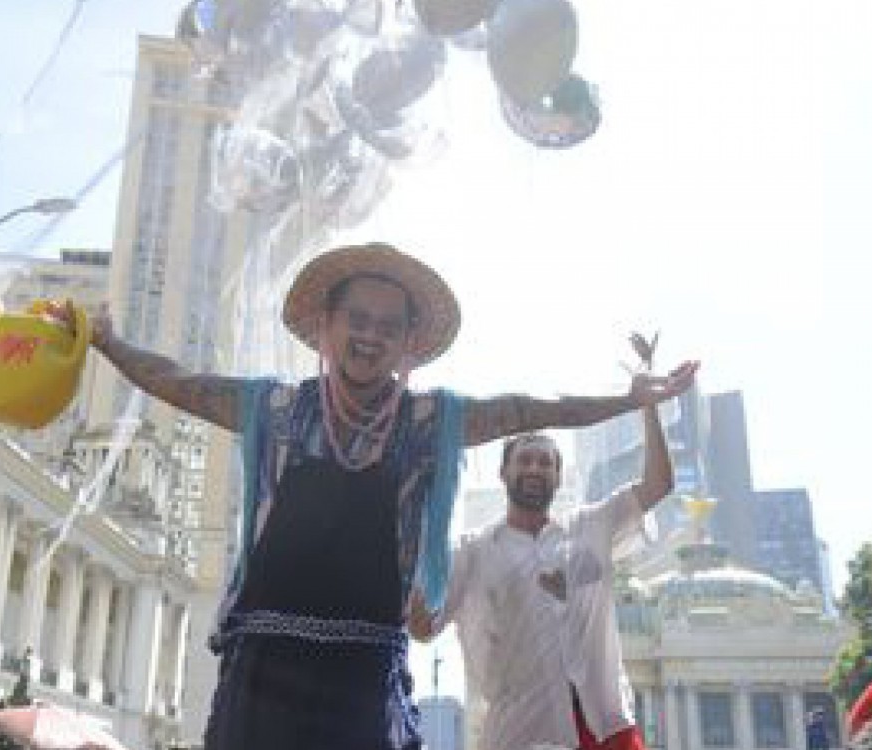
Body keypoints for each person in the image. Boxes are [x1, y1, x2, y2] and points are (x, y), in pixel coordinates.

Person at [68, 242, 698, 750]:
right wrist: (106, 342)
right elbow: (178, 383)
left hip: (363, 680)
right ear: (325, 327)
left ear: (406, 345)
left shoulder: (429, 424)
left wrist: (633, 399)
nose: (371, 337)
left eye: (388, 327)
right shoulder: (275, 408)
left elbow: (532, 409)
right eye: (358, 321)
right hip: (263, 671)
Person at [406, 334, 682, 750]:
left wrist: (647, 404)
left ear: (557, 476)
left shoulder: (593, 524)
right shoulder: (473, 551)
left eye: (545, 462)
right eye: (524, 460)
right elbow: (424, 628)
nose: (534, 468)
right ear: (504, 474)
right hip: (519, 734)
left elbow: (659, 484)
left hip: (606, 728)